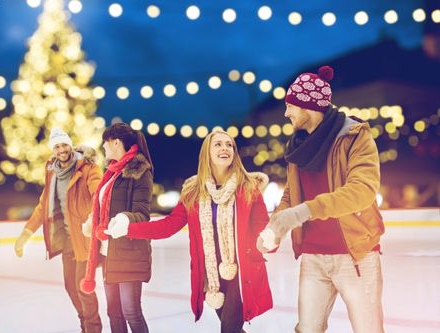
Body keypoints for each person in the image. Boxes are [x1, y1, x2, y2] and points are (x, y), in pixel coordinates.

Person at [107, 130, 273, 333]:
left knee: (229, 329)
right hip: (212, 275)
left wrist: (267, 240)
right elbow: (168, 226)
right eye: (218, 144)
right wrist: (128, 229)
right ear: (207, 153)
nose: (225, 148)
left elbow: (262, 226)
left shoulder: (248, 188)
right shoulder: (193, 192)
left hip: (242, 271)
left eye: (229, 145)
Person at [259, 65, 385, 333]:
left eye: (290, 106)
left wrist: (300, 213)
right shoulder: (299, 146)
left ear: (308, 106)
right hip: (313, 257)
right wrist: (275, 228)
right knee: (307, 329)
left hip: (355, 257)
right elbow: (292, 195)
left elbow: (362, 190)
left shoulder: (354, 137)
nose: (286, 113)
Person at [14, 127, 102, 333]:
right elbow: (42, 208)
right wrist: (24, 236)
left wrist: (93, 217)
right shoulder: (52, 174)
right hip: (68, 241)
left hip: (85, 238)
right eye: (57, 146)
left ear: (70, 145)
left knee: (84, 288)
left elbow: (98, 193)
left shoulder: (87, 168)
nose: (61, 150)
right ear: (53, 150)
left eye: (64, 145)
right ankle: (85, 326)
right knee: (70, 287)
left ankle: (93, 329)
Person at [80, 122, 154, 333]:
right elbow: (102, 207)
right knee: (114, 312)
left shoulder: (139, 171)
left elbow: (142, 213)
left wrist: (123, 219)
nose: (103, 147)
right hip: (107, 252)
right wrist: (91, 222)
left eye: (105, 143)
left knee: (131, 312)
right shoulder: (111, 172)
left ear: (116, 142)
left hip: (129, 252)